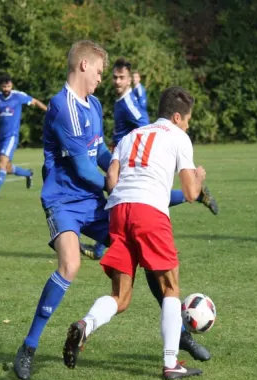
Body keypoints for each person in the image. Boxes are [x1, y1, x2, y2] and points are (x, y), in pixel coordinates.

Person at [63, 86, 206, 380]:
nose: (188, 125)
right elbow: (191, 193)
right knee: (170, 287)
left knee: (121, 296)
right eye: (188, 119)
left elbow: (112, 179)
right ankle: (170, 363)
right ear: (177, 117)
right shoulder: (179, 137)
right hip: (149, 211)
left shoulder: (132, 136)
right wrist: (200, 177)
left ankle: (85, 325)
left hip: (118, 211)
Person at [12, 40, 113, 380]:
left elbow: (99, 154)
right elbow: (86, 171)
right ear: (83, 66)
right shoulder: (61, 106)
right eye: (99, 71)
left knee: (139, 242)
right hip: (63, 201)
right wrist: (113, 184)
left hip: (91, 202)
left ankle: (175, 330)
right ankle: (29, 346)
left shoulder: (94, 104)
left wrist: (118, 167)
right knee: (70, 264)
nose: (101, 78)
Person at [80, 57, 218, 261]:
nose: (117, 81)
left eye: (122, 78)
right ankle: (197, 196)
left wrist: (137, 146)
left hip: (131, 156)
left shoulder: (128, 103)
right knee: (130, 195)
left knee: (125, 194)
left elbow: (146, 126)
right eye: (115, 77)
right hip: (122, 154)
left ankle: (100, 248)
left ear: (129, 80)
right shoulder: (121, 101)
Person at [0, 74, 47, 201]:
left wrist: (49, 111)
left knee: (1, 163)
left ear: (11, 85)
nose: (6, 88)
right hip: (1, 136)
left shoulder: (18, 96)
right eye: (4, 86)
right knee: (7, 168)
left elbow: (34, 101)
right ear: (0, 87)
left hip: (11, 136)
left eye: (8, 86)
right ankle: (28, 174)